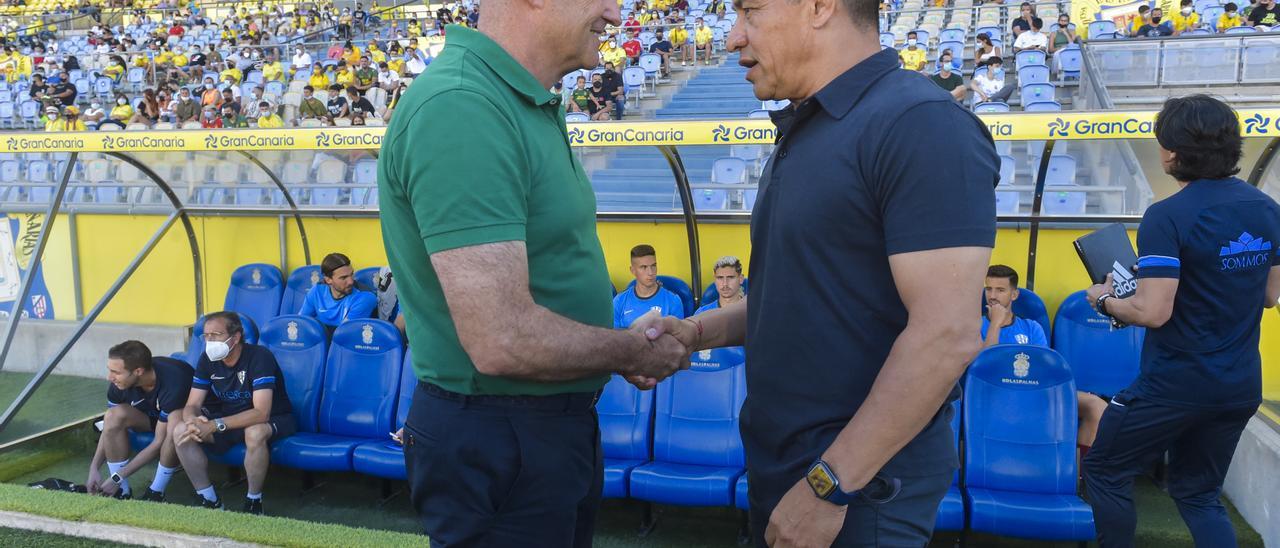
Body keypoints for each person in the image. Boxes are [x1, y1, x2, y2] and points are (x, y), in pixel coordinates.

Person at [643, 0, 999, 542]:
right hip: (788, 465)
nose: (733, 37)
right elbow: (799, 296)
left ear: (818, 7)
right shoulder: (808, 128)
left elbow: (946, 335)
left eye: (750, 12)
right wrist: (696, 331)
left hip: (858, 486)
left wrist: (830, 485)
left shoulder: (919, 123)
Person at [376, 2, 687, 542]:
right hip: (502, 435)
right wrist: (631, 350)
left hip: (534, 429)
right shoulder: (464, 106)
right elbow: (502, 339)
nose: (615, 15)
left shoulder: (508, 100)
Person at [1082, 95, 1280, 547]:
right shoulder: (1266, 208)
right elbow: (1269, 295)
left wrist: (1105, 301)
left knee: (1105, 471)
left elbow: (1152, 311)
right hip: (1239, 385)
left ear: (1172, 152)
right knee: (1199, 494)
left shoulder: (1167, 215)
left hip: (1175, 384)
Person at [171, 311, 296, 516]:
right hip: (230, 419)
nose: (209, 341)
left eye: (216, 335)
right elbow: (192, 403)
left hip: (275, 418)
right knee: (181, 431)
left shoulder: (259, 356)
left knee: (254, 432)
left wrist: (214, 424)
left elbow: (261, 413)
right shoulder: (207, 359)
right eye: (206, 336)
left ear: (235, 337)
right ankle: (209, 499)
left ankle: (254, 502)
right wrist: (192, 420)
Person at [981, 265, 1108, 449]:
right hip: (994, 394)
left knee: (1095, 406)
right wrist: (995, 324)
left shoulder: (1031, 327)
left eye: (1000, 290)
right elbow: (984, 368)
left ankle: (1080, 474)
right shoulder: (975, 326)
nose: (992, 296)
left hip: (1033, 391)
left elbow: (1041, 370)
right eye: (989, 289)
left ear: (1014, 295)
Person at [87, 341, 192, 502]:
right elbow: (109, 427)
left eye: (116, 372)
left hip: (185, 421)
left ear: (138, 371)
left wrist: (117, 477)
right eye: (110, 370)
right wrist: (94, 468)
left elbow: (159, 442)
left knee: (173, 425)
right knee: (112, 416)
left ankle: (156, 492)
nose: (110, 377)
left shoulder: (174, 381)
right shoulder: (119, 384)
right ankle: (122, 492)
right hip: (153, 418)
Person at [613, 244, 686, 328]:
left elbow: (677, 338)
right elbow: (615, 338)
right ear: (633, 270)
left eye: (653, 266)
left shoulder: (673, 301)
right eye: (644, 267)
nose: (650, 272)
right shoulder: (619, 301)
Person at [299, 253, 377, 330]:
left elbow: (344, 334)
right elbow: (301, 323)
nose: (351, 281)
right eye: (343, 278)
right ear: (328, 280)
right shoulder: (317, 291)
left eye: (351, 274)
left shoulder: (365, 297)